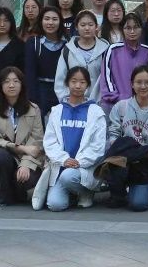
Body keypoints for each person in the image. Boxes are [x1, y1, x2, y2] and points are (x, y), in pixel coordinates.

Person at [40, 66, 108, 212]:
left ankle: (85, 192)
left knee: (68, 177)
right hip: (61, 166)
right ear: (67, 83)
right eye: (74, 81)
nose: (78, 86)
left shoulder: (96, 112)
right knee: (55, 205)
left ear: (88, 85)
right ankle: (72, 194)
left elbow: (98, 146)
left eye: (82, 82)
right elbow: (50, 142)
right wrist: (64, 159)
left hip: (83, 167)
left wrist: (79, 162)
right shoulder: (57, 111)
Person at [103, 66, 148, 211]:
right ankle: (119, 192)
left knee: (138, 204)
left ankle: (144, 188)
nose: (143, 86)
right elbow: (113, 135)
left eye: (147, 82)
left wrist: (137, 154)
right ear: (132, 84)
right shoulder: (121, 107)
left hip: (145, 162)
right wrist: (128, 152)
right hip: (121, 161)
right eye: (139, 82)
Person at [0, 67, 45, 206]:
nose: (11, 85)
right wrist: (19, 147)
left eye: (16, 81)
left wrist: (25, 164)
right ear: (0, 85)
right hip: (2, 155)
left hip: (28, 157)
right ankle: (4, 195)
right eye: (6, 81)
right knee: (0, 157)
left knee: (25, 179)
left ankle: (16, 190)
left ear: (22, 85)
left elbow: (37, 141)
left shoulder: (33, 109)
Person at [100, 13, 148, 113]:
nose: (132, 31)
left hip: (142, 107)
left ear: (141, 29)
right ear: (122, 30)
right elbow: (106, 78)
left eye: (136, 27)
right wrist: (118, 99)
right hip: (114, 106)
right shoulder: (113, 50)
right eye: (128, 28)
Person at [23, 7, 66, 115]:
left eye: (54, 19)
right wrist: (31, 99)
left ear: (60, 22)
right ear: (41, 21)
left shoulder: (67, 43)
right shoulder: (33, 43)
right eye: (46, 19)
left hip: (62, 91)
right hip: (40, 91)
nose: (50, 23)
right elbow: (30, 74)